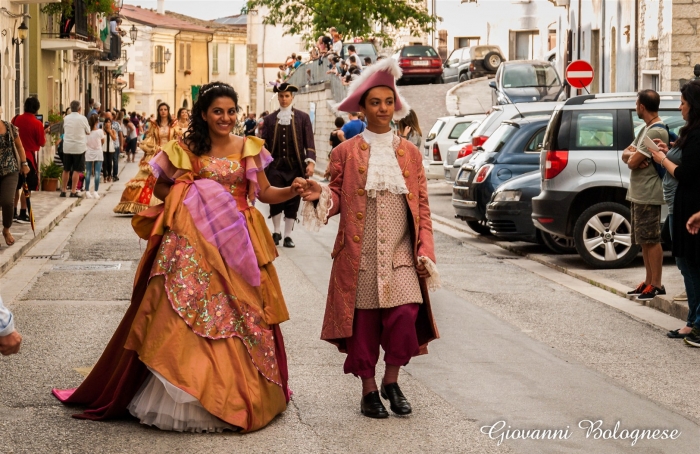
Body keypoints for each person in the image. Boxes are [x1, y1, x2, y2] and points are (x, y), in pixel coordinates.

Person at [53, 81, 304, 433]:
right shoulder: (187, 147)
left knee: (239, 315)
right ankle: (184, 392)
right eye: (218, 111)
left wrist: (291, 189)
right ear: (204, 114)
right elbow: (159, 187)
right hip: (194, 239)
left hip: (239, 242)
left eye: (231, 111)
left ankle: (232, 395)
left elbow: (263, 192)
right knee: (183, 314)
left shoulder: (249, 147)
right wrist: (194, 189)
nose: (226, 117)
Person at [298, 58, 439, 418]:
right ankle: (369, 390)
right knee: (363, 327)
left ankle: (392, 380)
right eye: (374, 103)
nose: (382, 108)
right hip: (357, 256)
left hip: (401, 255)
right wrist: (319, 195)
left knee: (406, 315)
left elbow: (422, 207)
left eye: (388, 102)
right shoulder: (344, 152)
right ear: (362, 107)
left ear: (396, 105)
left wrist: (426, 251)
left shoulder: (410, 154)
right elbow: (336, 198)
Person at [649, 81, 700, 347]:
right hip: (685, 205)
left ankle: (696, 324)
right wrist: (669, 152)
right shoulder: (689, 132)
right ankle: (693, 322)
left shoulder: (697, 134)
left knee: (691, 265)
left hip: (691, 207)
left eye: (682, 102)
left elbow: (685, 173)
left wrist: (662, 160)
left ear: (694, 104)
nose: (679, 106)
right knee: (686, 264)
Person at [622, 90, 669, 301]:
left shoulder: (656, 131)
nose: (635, 107)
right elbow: (626, 154)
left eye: (636, 103)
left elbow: (631, 161)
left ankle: (657, 284)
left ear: (642, 106)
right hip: (639, 193)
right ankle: (648, 281)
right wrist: (633, 156)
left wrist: (633, 157)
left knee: (651, 239)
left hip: (649, 192)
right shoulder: (645, 129)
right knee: (643, 239)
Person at [261, 82, 316, 248]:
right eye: (281, 96)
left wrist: (310, 163)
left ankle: (288, 235)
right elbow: (263, 144)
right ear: (278, 97)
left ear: (292, 98)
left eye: (286, 96)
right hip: (275, 167)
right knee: (275, 198)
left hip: (295, 166)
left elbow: (309, 142)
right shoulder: (269, 119)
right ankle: (276, 232)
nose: (284, 99)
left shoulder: (303, 118)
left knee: (293, 200)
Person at [114, 103, 179, 214]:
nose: (163, 111)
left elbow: (177, 139)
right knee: (148, 178)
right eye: (161, 109)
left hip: (169, 154)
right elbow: (149, 138)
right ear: (158, 111)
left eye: (165, 109)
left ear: (168, 111)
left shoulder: (174, 125)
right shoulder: (154, 125)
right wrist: (153, 148)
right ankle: (141, 204)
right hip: (156, 153)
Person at [12, 96, 46, 223]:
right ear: (36, 109)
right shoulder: (37, 124)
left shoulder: (15, 119)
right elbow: (41, 142)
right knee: (27, 186)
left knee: (15, 185)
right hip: (29, 158)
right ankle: (23, 212)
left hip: (15, 156)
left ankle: (13, 211)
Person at [0, 118, 30, 246]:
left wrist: (24, 163)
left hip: (10, 170)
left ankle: (6, 229)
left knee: (7, 201)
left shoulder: (9, 127)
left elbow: (19, 146)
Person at [61, 100, 90, 198]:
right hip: (79, 147)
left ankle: (63, 190)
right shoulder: (83, 119)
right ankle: (73, 191)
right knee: (77, 170)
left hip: (67, 147)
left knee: (66, 169)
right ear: (79, 109)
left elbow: (62, 130)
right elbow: (88, 131)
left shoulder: (65, 118)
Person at [84, 115, 104, 199]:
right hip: (98, 152)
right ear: (97, 122)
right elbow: (103, 141)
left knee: (88, 172)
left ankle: (87, 191)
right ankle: (95, 191)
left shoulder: (86, 132)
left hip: (88, 152)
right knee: (97, 173)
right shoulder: (100, 131)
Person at [101, 118, 117, 184]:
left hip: (110, 149)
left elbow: (114, 139)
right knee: (104, 163)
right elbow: (101, 140)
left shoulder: (113, 131)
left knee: (110, 163)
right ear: (104, 123)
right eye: (106, 122)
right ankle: (105, 176)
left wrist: (110, 132)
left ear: (111, 123)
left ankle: (109, 175)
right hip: (104, 149)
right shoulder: (102, 131)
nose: (108, 124)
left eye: (109, 122)